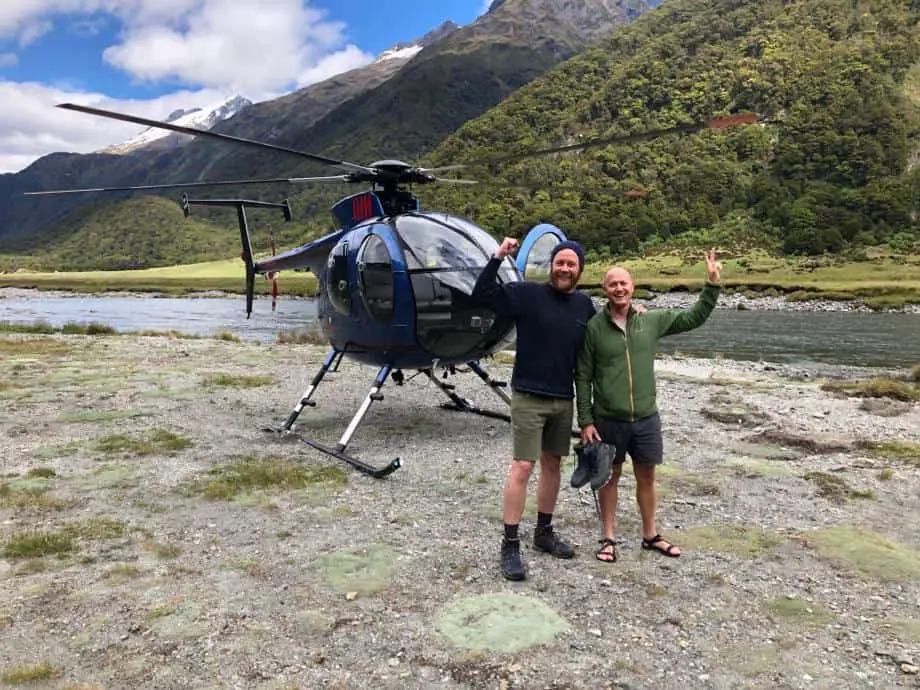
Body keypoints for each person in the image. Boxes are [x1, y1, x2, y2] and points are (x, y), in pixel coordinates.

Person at [574, 247, 722, 563]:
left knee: (647, 477)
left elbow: (693, 317)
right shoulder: (594, 329)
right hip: (608, 420)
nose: (619, 288)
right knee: (609, 477)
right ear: (605, 289)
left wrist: (711, 285)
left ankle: (650, 535)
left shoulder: (650, 320)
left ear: (632, 286)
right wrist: (586, 420)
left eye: (624, 283)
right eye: (612, 284)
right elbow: (583, 376)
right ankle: (608, 537)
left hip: (645, 419)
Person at [471, 233, 596, 581]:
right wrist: (497, 258)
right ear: (551, 266)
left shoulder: (585, 306)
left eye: (571, 264)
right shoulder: (527, 294)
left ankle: (543, 533)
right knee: (523, 466)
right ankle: (510, 544)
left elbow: (601, 341)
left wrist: (635, 312)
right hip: (528, 394)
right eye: (560, 263)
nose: (565, 269)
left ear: (579, 270)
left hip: (563, 398)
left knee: (553, 464)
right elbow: (482, 295)